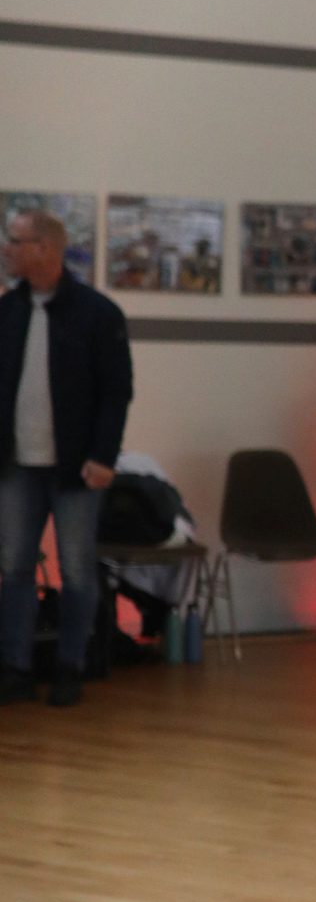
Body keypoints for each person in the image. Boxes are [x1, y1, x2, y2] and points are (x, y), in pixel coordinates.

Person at [0, 207, 133, 708]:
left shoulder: (97, 313)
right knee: (14, 567)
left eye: (15, 240)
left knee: (76, 569)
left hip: (76, 466)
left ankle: (70, 666)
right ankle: (16, 668)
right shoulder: (7, 312)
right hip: (17, 464)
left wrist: (104, 456)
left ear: (45, 249)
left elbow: (116, 392)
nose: (6, 249)